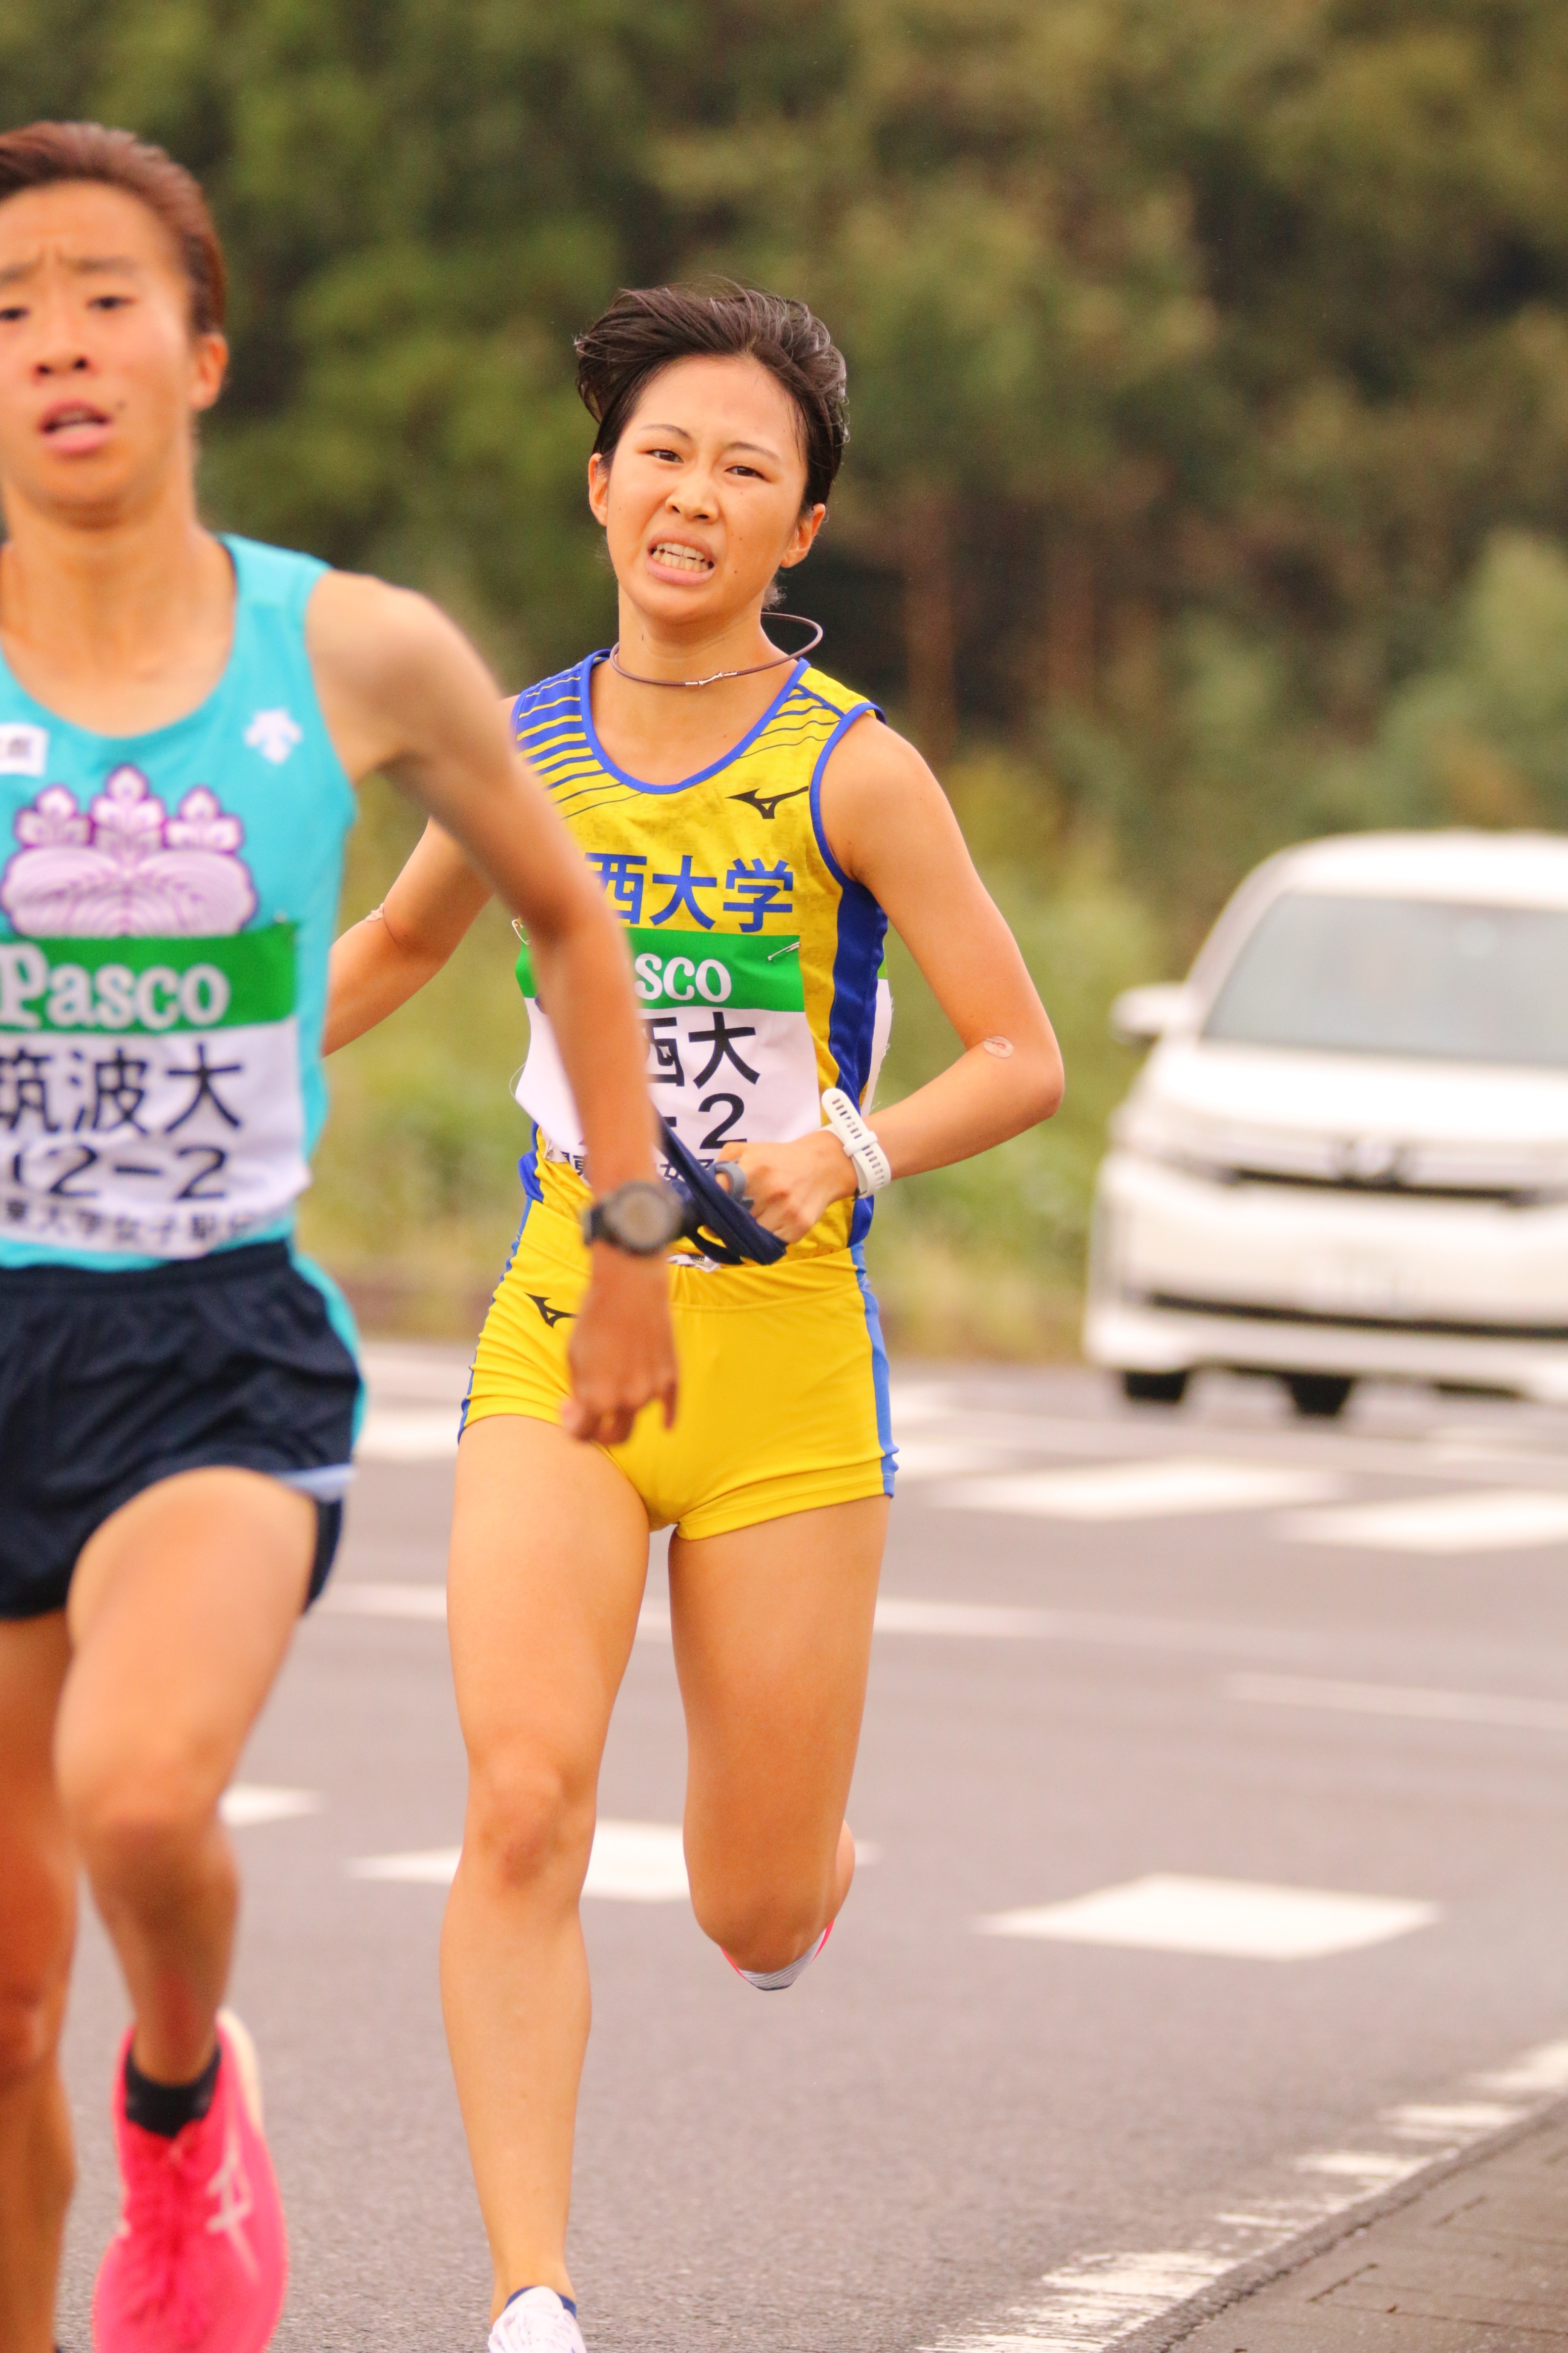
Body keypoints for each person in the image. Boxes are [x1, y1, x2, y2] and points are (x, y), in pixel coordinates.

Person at [326, 281, 1064, 2353]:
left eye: (747, 466)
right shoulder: (520, 747)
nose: (693, 493)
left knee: (742, 1906)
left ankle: (807, 1858)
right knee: (521, 1797)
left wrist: (860, 1142)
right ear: (596, 487)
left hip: (786, 1360)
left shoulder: (857, 775)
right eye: (661, 452)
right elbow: (390, 944)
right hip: (565, 1319)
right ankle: (531, 2292)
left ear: (799, 528)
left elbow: (1018, 1056)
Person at [0, 123, 676, 2353]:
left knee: (138, 1789)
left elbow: (571, 922)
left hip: (208, 1346)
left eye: (99, 295)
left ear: (202, 346)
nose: (54, 346)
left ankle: (185, 2094)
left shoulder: (360, 649)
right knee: (1, 2004)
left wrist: (636, 1232)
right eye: (5, 315)